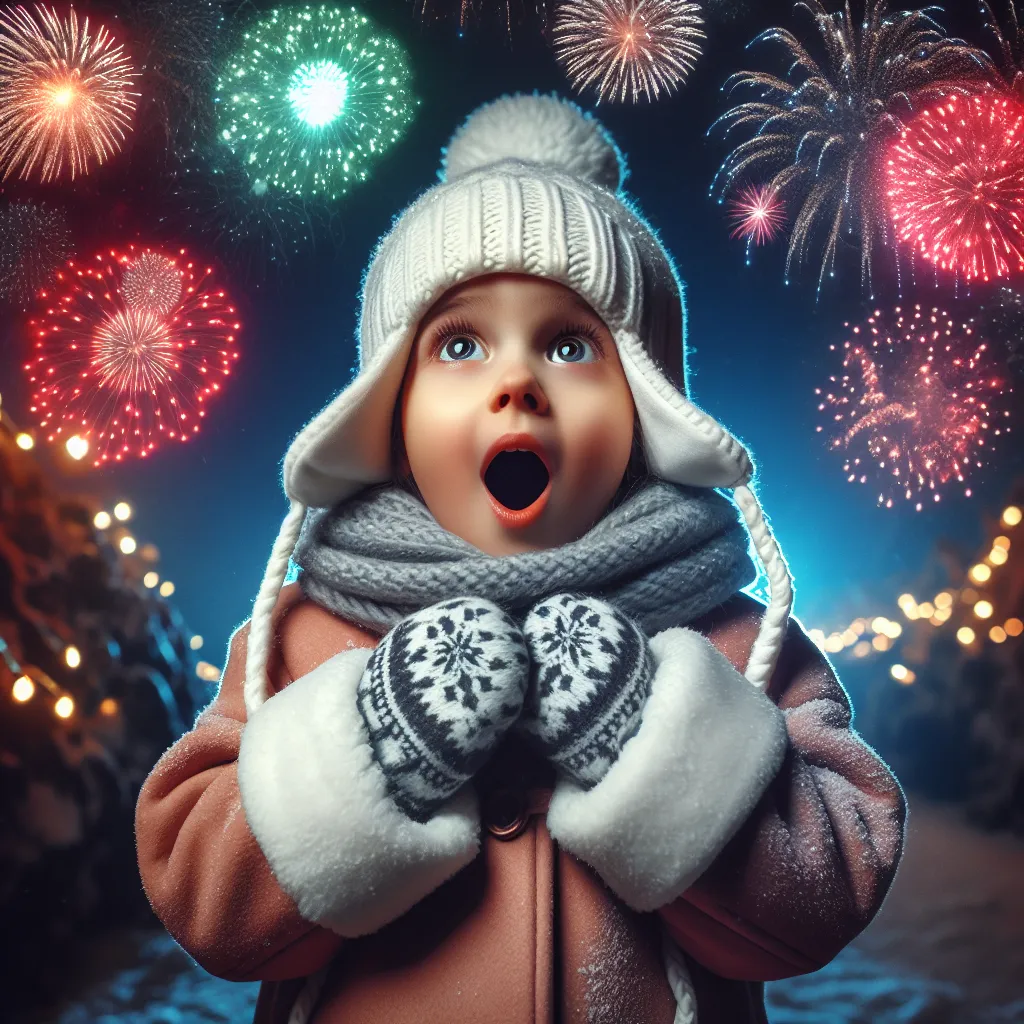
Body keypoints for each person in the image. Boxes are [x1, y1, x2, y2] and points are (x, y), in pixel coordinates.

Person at [135, 93, 907, 1024]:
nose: (516, 385)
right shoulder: (303, 632)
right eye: (459, 344)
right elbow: (200, 893)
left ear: (646, 405)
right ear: (391, 409)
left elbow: (831, 885)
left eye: (571, 344)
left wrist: (650, 732)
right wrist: (375, 741)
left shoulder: (733, 637)